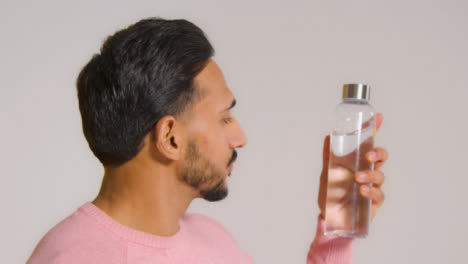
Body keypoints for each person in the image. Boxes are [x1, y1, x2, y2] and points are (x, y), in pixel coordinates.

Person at [26, 18, 388, 264]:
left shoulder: (213, 242)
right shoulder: (72, 257)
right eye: (224, 117)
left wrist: (335, 225)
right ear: (170, 137)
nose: (240, 137)